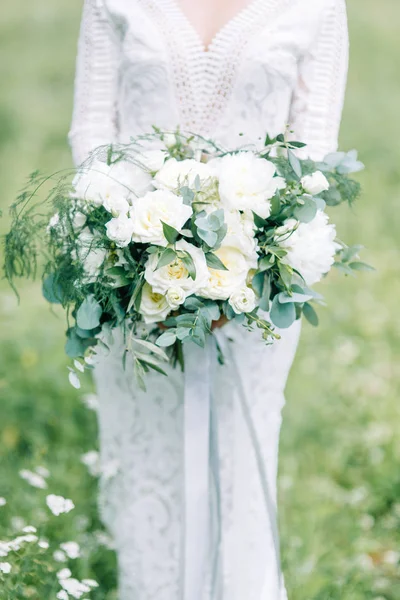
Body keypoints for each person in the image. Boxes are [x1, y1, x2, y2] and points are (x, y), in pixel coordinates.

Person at [69, 0, 348, 598]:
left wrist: (248, 265)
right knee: (147, 464)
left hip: (257, 285)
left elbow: (315, 147)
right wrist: (134, 248)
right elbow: (91, 130)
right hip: (131, 279)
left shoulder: (318, 6)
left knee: (242, 465)